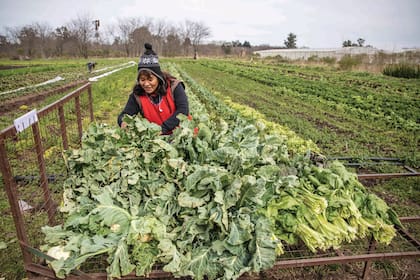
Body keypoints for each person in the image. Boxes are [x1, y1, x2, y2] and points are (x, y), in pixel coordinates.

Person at [117, 43, 189, 135]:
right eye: (142, 80)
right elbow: (125, 114)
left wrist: (162, 129)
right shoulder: (137, 95)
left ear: (158, 78)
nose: (146, 84)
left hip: (181, 135)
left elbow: (183, 111)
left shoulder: (174, 86)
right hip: (156, 139)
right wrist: (123, 122)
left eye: (150, 79)